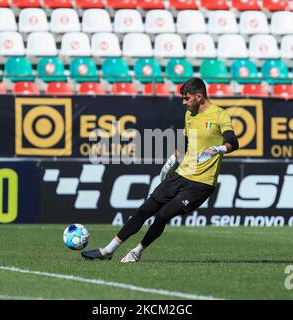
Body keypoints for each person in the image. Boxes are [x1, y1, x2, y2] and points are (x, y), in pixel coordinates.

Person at [81, 77, 239, 263]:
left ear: (199, 96)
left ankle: (137, 251)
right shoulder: (190, 114)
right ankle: (107, 250)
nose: (184, 102)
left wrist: (217, 149)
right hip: (180, 175)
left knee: (163, 215)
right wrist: (172, 160)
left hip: (201, 184)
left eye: (187, 98)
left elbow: (233, 142)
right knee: (144, 211)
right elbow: (187, 142)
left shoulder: (220, 115)